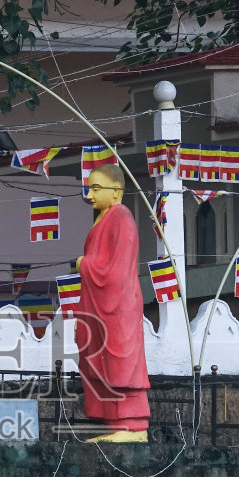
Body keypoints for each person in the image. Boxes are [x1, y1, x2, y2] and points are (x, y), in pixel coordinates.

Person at [75, 165, 149, 442]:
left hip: (118, 306)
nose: (89, 195)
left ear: (116, 191)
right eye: (89, 189)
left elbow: (116, 270)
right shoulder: (105, 218)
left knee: (120, 364)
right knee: (99, 360)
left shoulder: (122, 218)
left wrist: (85, 264)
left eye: (96, 189)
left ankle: (133, 426)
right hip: (100, 305)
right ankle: (116, 423)